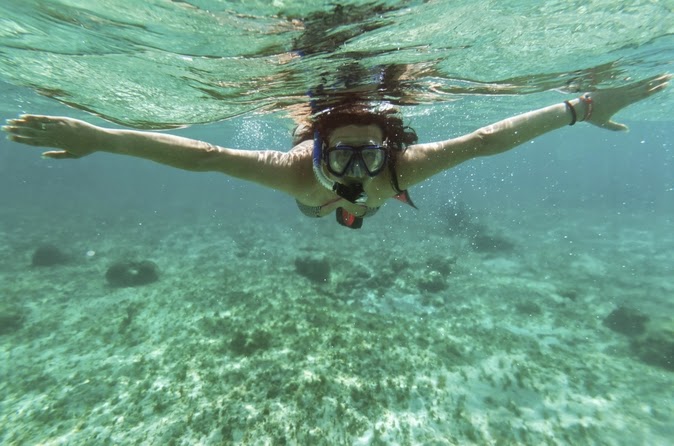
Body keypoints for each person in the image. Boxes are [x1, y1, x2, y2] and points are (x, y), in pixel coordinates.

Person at [2, 74, 670, 229]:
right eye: (343, 155)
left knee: (323, 207)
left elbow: (486, 140)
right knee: (315, 206)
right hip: (317, 187)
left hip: (328, 196)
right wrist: (97, 138)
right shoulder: (305, 171)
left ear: (389, 144)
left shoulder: (384, 167)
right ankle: (334, 216)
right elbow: (202, 155)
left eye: (367, 155)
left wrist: (583, 107)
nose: (356, 167)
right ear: (314, 143)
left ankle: (337, 217)